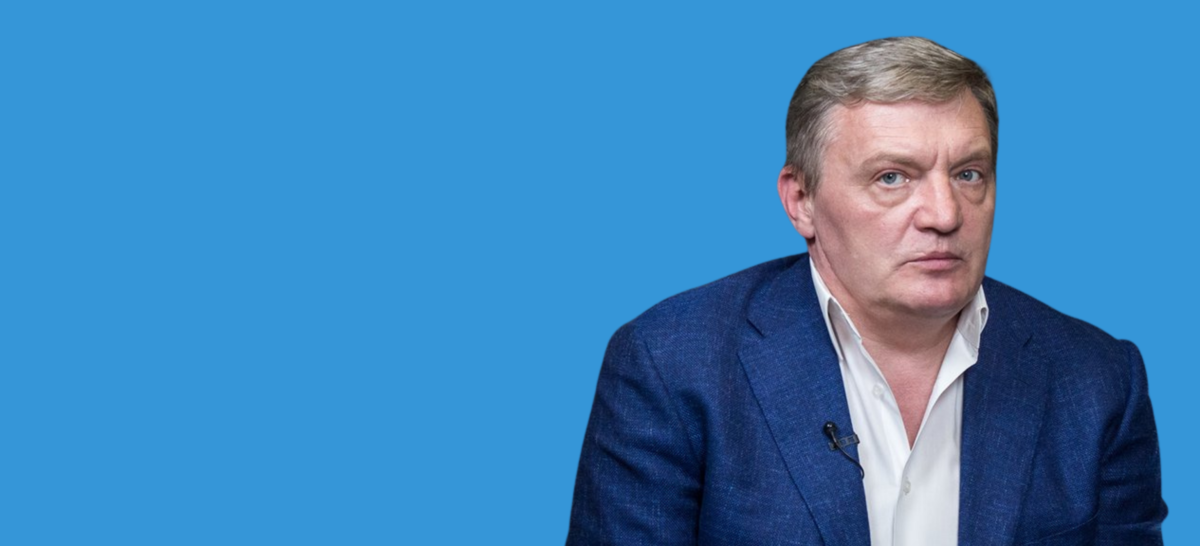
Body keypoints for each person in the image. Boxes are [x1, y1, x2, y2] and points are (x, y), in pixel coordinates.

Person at [566, 37, 1167, 545]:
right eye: (892, 177)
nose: (944, 214)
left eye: (968, 174)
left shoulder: (1097, 380)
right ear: (801, 200)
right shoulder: (671, 365)